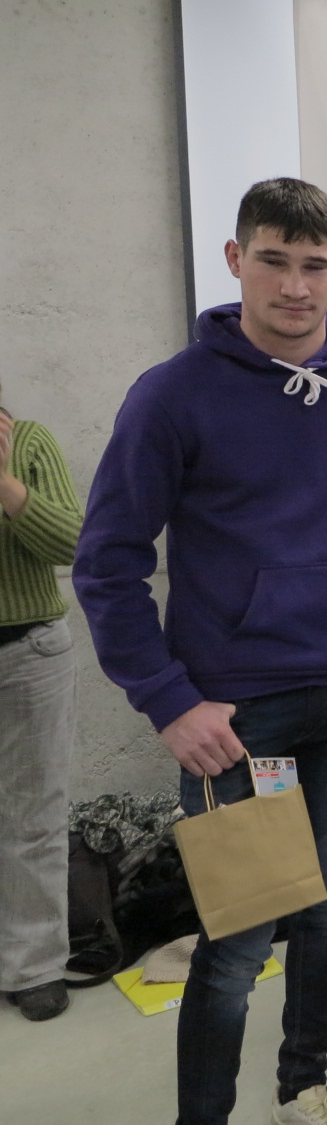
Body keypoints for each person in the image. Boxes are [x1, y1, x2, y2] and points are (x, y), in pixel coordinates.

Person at [72, 179, 327, 1125]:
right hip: (233, 715)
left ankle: (304, 1086)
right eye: (273, 261)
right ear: (236, 260)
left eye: (313, 266)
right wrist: (169, 700)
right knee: (240, 936)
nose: (295, 286)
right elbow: (107, 564)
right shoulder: (173, 395)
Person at [0, 389, 83, 1023]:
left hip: (28, 652)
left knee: (33, 816)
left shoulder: (28, 442)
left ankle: (33, 967)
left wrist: (7, 488)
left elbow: (76, 542)